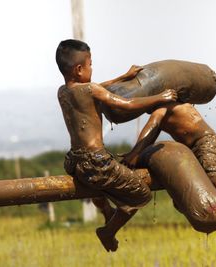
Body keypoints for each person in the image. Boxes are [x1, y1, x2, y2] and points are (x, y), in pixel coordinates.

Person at [55, 39, 177, 252]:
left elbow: (94, 89)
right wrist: (160, 97)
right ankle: (108, 231)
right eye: (90, 64)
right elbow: (127, 103)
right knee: (141, 195)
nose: (92, 68)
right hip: (96, 162)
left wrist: (123, 77)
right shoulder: (91, 90)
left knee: (96, 184)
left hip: (74, 160)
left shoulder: (63, 92)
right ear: (78, 69)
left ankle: (107, 210)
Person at [121, 102, 216, 222]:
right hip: (193, 151)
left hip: (205, 144)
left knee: (214, 175)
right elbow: (149, 139)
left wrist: (134, 154)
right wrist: (136, 154)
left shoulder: (162, 109)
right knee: (183, 198)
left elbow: (151, 127)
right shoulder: (169, 109)